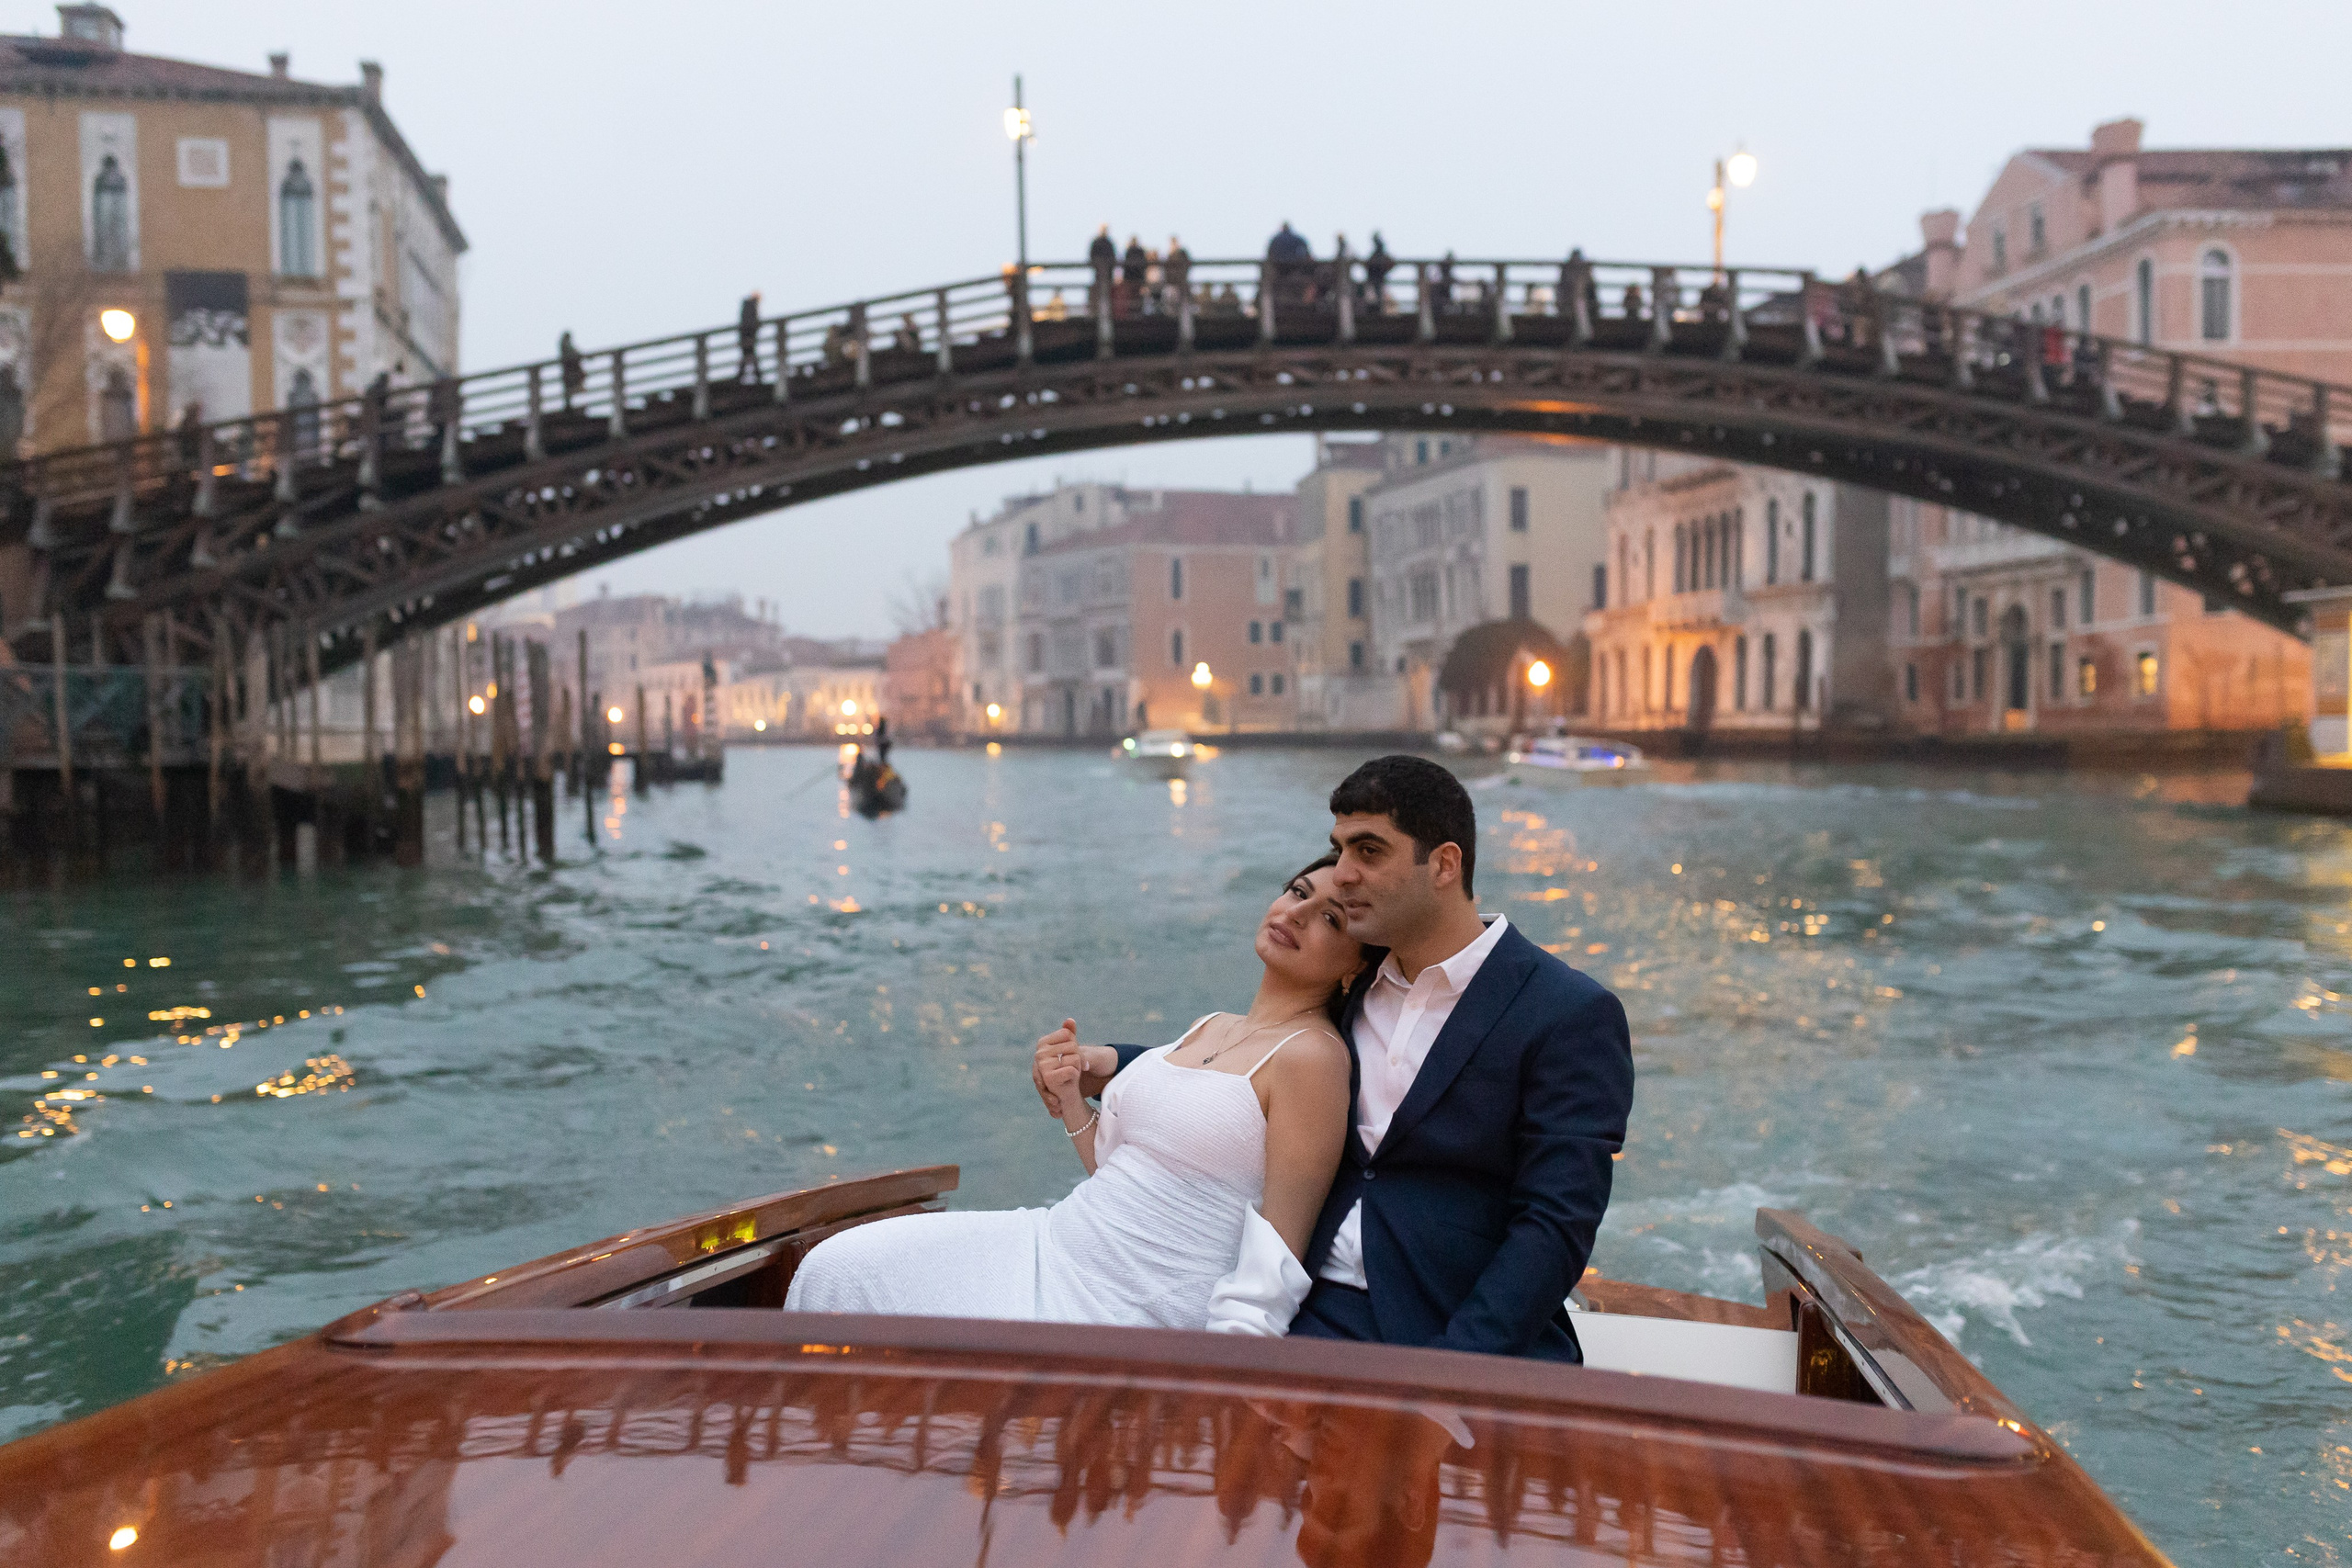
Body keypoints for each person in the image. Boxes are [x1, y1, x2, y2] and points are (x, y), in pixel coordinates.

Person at [1059, 756, 1634, 1361]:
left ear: (1443, 863)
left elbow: (1554, 1224)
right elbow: (1262, 1061)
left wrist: (1455, 1370)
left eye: (1368, 851)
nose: (1343, 872)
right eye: (1338, 849)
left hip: (1447, 1327)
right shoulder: (1353, 985)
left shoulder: (1567, 1012)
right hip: (1306, 1309)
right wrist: (1114, 1061)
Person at [786, 858, 1363, 1331]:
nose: (1298, 913)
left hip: (1133, 1306)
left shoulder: (1313, 1059)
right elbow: (1117, 1175)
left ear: (1354, 970)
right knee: (834, 1271)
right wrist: (1070, 1101)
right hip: (1055, 1242)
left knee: (849, 1283)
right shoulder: (1210, 1026)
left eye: (1331, 920)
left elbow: (1278, 1257)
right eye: (1296, 891)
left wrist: (1223, 1381)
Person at [1363, 232, 1394, 312]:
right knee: (1377, 293)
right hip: (1377, 275)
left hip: (1376, 275)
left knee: (1377, 293)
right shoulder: (1379, 249)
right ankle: (1378, 308)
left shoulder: (1379, 248)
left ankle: (1378, 308)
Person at [558, 331, 586, 410]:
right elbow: (572, 353)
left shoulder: (564, 345)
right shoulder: (565, 345)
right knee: (569, 387)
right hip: (570, 370)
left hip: (569, 370)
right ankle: (568, 406)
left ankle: (568, 406)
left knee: (568, 388)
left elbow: (573, 352)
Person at [737, 292, 761, 380]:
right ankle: (757, 374)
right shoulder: (752, 306)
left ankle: (741, 375)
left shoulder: (747, 305)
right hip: (748, 335)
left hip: (745, 334)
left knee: (747, 354)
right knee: (749, 353)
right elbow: (751, 322)